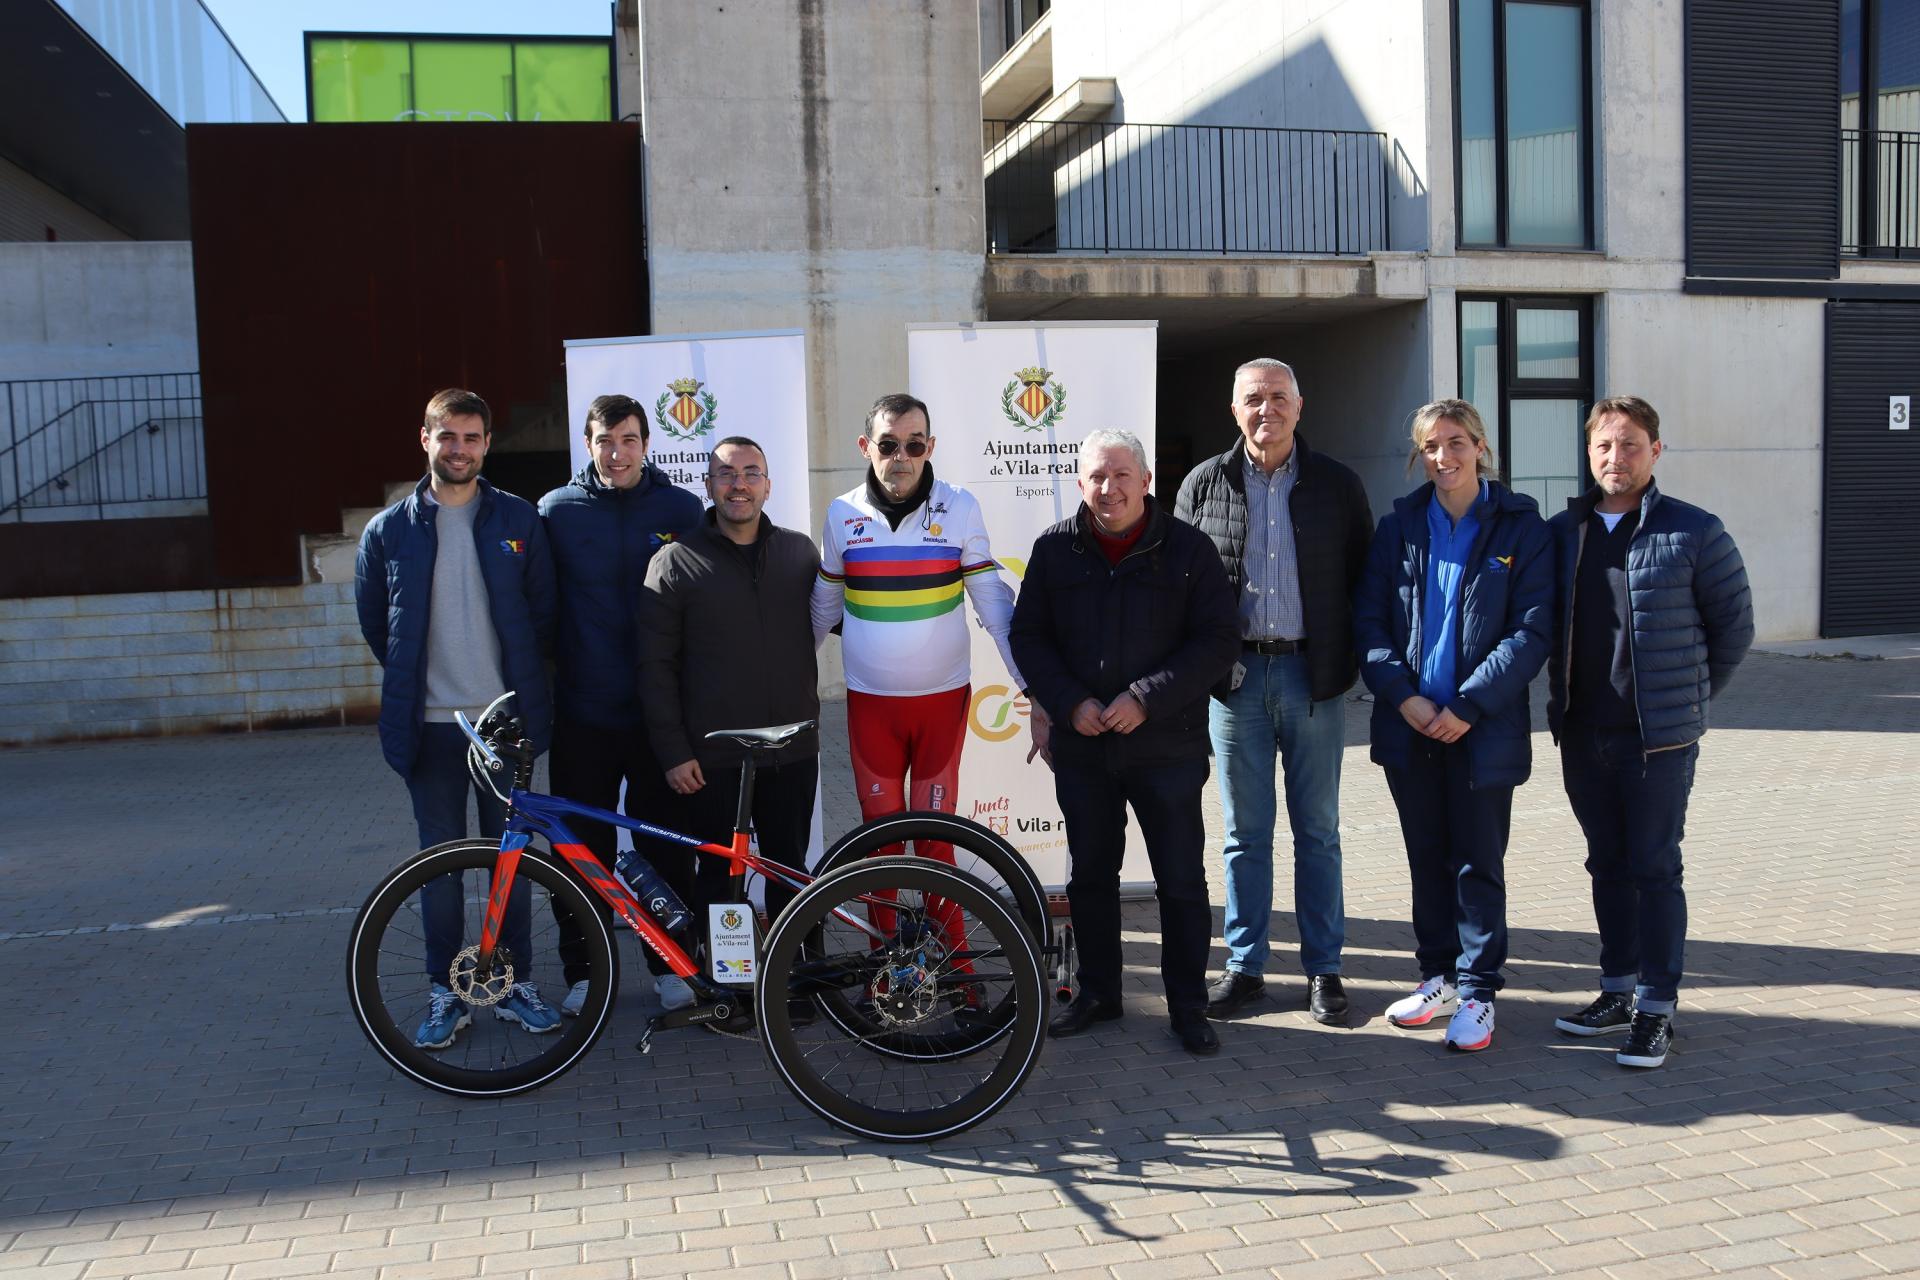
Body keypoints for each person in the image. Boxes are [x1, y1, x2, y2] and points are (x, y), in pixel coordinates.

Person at [1010, 429, 1239, 1055]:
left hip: (1167, 745)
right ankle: (1099, 994)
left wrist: (1145, 698)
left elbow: (1218, 639)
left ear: (1145, 479)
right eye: (1096, 477)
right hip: (1084, 746)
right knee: (1090, 877)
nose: (1108, 489)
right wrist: (1069, 702)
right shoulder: (1054, 548)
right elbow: (1029, 636)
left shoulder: (1189, 548)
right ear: (1079, 483)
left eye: (1120, 476)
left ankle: (1188, 1006)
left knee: (1180, 881)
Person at [1548, 395, 1753, 1069]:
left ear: (1655, 451)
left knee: (1656, 868)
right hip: (1583, 733)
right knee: (1606, 865)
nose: (1617, 457)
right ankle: (1617, 990)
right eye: (1605, 445)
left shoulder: (1694, 531)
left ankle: (1657, 1008)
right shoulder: (1564, 532)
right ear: (1589, 453)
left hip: (1657, 742)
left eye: (1631, 444)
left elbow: (1734, 629)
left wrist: (1685, 700)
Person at [354, 387, 560, 1049]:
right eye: (448, 437)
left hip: (504, 727)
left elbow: (542, 616)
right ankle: (447, 991)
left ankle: (512, 983)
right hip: (431, 729)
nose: (460, 449)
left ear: (487, 444)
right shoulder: (388, 531)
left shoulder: (519, 519)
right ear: (426, 440)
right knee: (438, 868)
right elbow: (380, 628)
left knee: (512, 864)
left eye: (472, 438)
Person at [1175, 358, 1374, 1027]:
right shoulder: (1204, 484)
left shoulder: (1337, 485)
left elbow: (1364, 581)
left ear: (1299, 405)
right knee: (1244, 834)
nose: (1267, 409)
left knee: (1318, 832)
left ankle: (1324, 969)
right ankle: (1245, 968)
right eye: (1254, 399)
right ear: (1235, 411)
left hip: (1311, 678)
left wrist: (1350, 662)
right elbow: (1181, 588)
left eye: (1279, 397)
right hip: (1234, 683)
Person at [1355, 400, 1551, 1052]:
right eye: (1432, 446)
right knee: (1426, 860)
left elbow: (1532, 631)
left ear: (1480, 447)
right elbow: (1370, 622)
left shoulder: (1521, 528)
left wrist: (1468, 705)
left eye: (1457, 442)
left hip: (1480, 728)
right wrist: (1402, 696)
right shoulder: (1400, 527)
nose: (1445, 457)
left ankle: (1478, 993)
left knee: (1477, 864)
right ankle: (1437, 978)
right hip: (1410, 726)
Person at [811, 392, 1029, 954]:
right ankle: (884, 968)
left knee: (935, 840)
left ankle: (957, 967)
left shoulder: (960, 506)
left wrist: (1032, 687)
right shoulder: (841, 513)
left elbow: (993, 605)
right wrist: (787, 685)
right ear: (866, 447)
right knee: (881, 844)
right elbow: (822, 608)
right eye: (888, 445)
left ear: (930, 447)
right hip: (871, 704)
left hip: (941, 702)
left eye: (913, 445)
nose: (901, 457)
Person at [538, 394, 703, 1015]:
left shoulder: (681, 509)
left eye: (629, 440)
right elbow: (540, 608)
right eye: (605, 441)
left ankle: (670, 968)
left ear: (646, 444)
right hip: (583, 715)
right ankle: (585, 973)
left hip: (658, 718)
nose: (617, 453)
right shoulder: (556, 510)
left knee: (666, 848)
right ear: (588, 444)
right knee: (580, 851)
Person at [638, 437, 821, 956]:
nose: (739, 484)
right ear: (709, 485)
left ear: (768, 484)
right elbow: (654, 667)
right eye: (726, 473)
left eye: (750, 473)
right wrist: (674, 752)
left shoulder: (799, 552)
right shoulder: (674, 562)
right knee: (721, 874)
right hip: (712, 757)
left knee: (790, 869)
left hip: (791, 748)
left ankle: (803, 979)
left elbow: (842, 619)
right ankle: (730, 981)